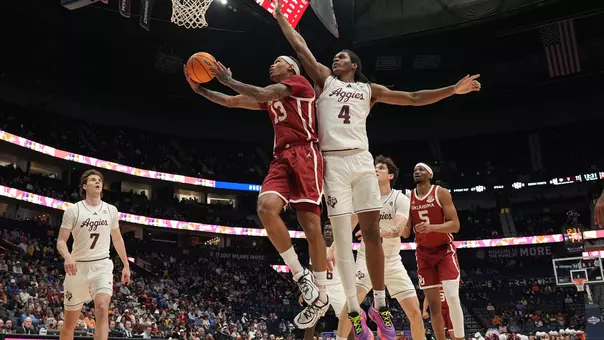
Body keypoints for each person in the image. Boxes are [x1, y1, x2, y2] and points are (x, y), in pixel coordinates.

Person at [273, 1, 480, 338]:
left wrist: (452, 90)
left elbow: (413, 97)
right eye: (335, 57)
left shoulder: (370, 91)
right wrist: (282, 18)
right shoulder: (324, 79)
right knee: (342, 238)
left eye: (342, 56)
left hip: (361, 160)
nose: (336, 59)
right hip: (334, 163)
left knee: (369, 232)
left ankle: (380, 301)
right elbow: (301, 46)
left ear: (354, 65)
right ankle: (354, 309)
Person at [184, 55, 328, 328]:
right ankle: (300, 276)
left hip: (306, 153)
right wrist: (200, 89)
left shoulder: (299, 83)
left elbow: (261, 91)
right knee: (264, 208)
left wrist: (228, 80)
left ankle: (321, 295)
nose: (271, 65)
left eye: (278, 61)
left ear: (291, 68)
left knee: (311, 226)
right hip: (281, 159)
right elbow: (230, 101)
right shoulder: (271, 101)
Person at [334, 156, 424, 340]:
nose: (376, 169)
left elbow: (399, 228)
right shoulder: (364, 197)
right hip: (365, 259)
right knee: (350, 305)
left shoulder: (400, 198)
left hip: (392, 261)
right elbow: (347, 227)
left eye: (381, 167)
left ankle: (378, 312)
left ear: (390, 175)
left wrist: (376, 232)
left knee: (415, 312)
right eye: (375, 166)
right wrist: (331, 249)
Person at [56, 169, 131, 340]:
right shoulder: (73, 210)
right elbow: (61, 241)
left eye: (99, 180)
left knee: (103, 308)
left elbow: (117, 239)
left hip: (102, 265)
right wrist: (67, 256)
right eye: (93, 180)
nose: (97, 182)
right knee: (69, 325)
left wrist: (126, 264)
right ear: (84, 186)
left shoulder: (111, 210)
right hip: (78, 268)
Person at [406, 163, 463, 340]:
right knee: (433, 306)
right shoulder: (408, 196)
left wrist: (431, 227)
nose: (417, 172)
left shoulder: (441, 193)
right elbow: (407, 230)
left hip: (444, 251)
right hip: (423, 254)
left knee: (452, 297)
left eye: (421, 169)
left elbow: (455, 225)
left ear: (430, 175)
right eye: (415, 170)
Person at [301, 221, 353, 340]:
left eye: (330, 230)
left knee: (347, 320)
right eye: (326, 230)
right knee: (311, 320)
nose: (328, 232)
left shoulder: (342, 248)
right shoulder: (317, 248)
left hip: (338, 286)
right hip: (321, 286)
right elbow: (310, 271)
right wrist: (305, 291)